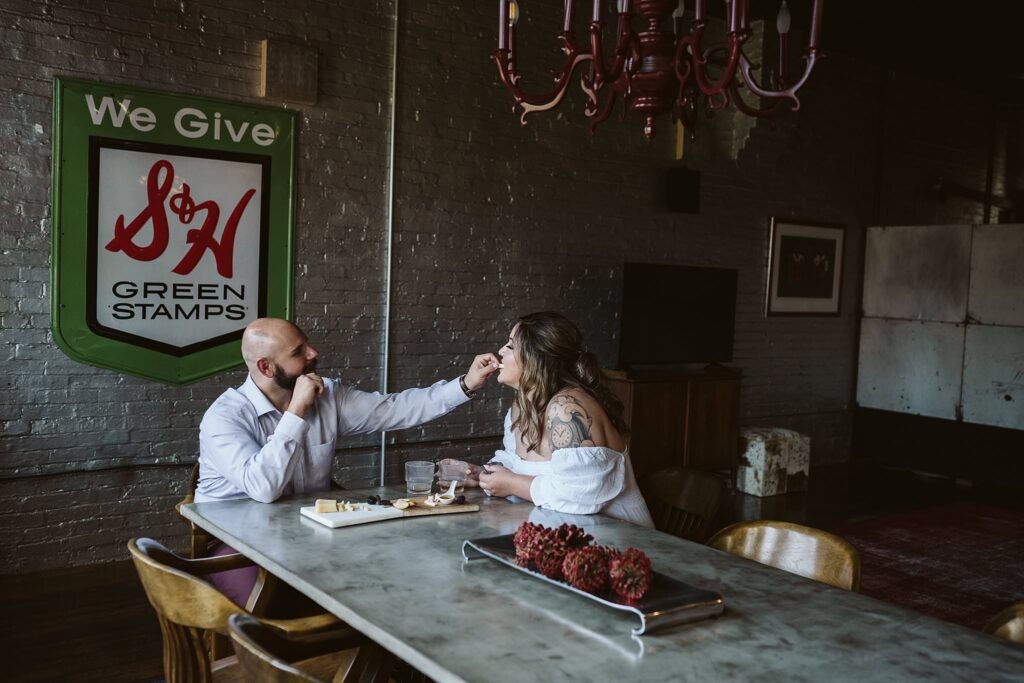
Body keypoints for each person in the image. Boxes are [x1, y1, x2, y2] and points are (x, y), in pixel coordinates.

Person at [196, 317, 499, 605]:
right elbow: (263, 488)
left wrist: (466, 384)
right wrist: (297, 410)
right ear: (266, 367)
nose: (313, 353)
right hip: (234, 542)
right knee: (272, 605)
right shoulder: (224, 417)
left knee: (379, 576)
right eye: (298, 352)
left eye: (307, 344)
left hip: (306, 532)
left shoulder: (328, 396)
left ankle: (373, 654)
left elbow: (394, 409)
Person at [443, 312, 654, 528]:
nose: (500, 352)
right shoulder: (521, 406)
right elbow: (516, 464)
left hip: (622, 544)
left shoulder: (567, 408)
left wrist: (513, 485)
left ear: (536, 357)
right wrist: (480, 474)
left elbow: (580, 494)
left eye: (511, 346)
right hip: (562, 539)